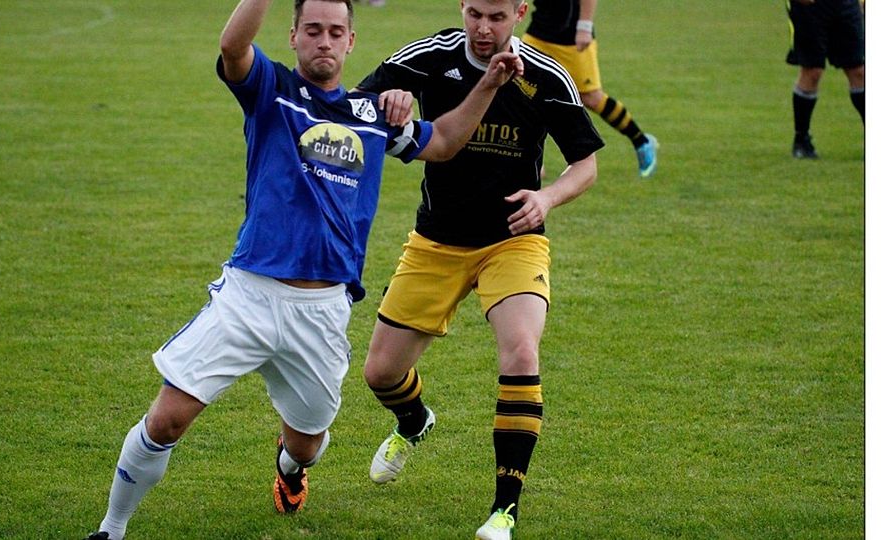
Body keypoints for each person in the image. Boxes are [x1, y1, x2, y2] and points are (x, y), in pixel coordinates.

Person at [83, 0, 523, 537]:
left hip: (322, 311)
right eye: (312, 30)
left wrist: (489, 83)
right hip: (249, 295)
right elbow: (233, 47)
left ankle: (290, 465)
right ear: (293, 36)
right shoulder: (272, 90)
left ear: (351, 42)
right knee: (167, 420)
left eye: (335, 31)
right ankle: (111, 527)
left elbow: (447, 141)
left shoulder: (372, 114)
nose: (324, 41)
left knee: (308, 443)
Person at [354, 0, 604, 538]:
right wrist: (387, 100)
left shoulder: (546, 75)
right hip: (437, 241)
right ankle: (414, 421)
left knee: (521, 351)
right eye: (474, 14)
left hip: (513, 241)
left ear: (520, 12)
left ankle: (503, 510)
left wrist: (547, 198)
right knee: (380, 374)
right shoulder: (430, 57)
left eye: (496, 16)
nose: (483, 28)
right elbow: (353, 103)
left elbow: (586, 163)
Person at [521, 0, 658, 178]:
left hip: (571, 38)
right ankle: (529, 159)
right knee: (522, 91)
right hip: (537, 34)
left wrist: (584, 26)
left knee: (591, 98)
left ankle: (641, 141)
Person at [785, 0, 865, 159]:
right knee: (812, 71)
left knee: (858, 70)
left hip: (846, 4)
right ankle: (801, 139)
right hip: (808, 7)